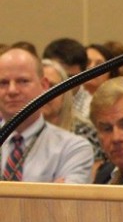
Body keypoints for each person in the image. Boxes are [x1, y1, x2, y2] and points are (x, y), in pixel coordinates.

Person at [0, 47, 93, 183]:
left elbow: (65, 196)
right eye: (3, 83)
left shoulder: (73, 148)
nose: (12, 90)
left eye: (22, 81)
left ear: (44, 85)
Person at [42, 58, 106, 176]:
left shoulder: (86, 131)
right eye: (40, 86)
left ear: (65, 92)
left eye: (51, 86)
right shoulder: (19, 133)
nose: (43, 93)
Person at [43, 37, 92, 121]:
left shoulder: (91, 111)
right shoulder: (31, 103)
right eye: (57, 76)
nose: (62, 83)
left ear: (84, 76)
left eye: (69, 78)